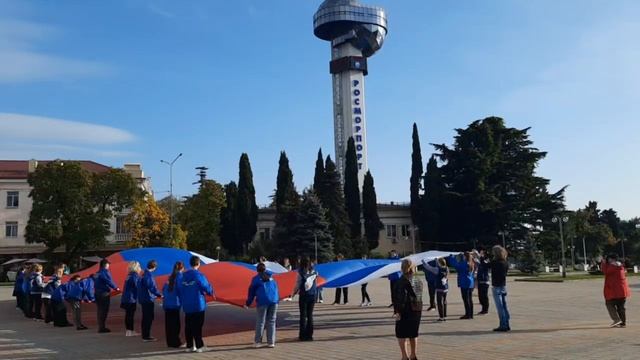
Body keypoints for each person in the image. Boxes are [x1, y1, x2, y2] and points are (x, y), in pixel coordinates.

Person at [178, 255, 214, 353]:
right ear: (198, 264)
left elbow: (180, 289)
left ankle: (189, 346)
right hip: (198, 304)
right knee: (197, 326)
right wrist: (211, 292)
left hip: (187, 304)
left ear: (190, 263)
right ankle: (199, 346)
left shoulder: (183, 276)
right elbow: (206, 287)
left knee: (188, 325)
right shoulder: (199, 275)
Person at [393, 259, 424, 360]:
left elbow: (400, 298)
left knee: (401, 334)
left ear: (402, 268)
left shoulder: (401, 281)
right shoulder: (418, 280)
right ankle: (413, 355)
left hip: (405, 310)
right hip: (416, 310)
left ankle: (404, 356)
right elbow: (419, 295)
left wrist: (397, 312)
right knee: (413, 333)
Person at [245, 262, 279, 348]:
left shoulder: (256, 279)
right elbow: (276, 288)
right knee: (271, 321)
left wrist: (248, 303)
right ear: (265, 269)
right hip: (274, 301)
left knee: (261, 321)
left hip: (262, 301)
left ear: (257, 270)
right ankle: (271, 342)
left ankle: (258, 342)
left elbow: (251, 292)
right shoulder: (272, 277)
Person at [290, 257, 317, 341]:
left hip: (304, 296)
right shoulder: (314, 272)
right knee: (310, 315)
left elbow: (298, 285)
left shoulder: (300, 272)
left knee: (303, 316)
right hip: (312, 295)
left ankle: (302, 335)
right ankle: (310, 335)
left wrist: (293, 293)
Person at [601, 253, 630, 328]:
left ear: (612, 259)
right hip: (622, 291)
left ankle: (616, 320)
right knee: (621, 307)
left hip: (614, 291)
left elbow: (605, 271)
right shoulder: (621, 265)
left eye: (608, 258)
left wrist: (603, 263)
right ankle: (623, 323)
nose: (608, 260)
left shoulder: (613, 265)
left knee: (609, 304)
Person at [94, 259, 120, 333]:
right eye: (108, 264)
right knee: (104, 310)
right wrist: (116, 288)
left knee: (99, 310)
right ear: (105, 265)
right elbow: (109, 280)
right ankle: (102, 328)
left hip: (97, 293)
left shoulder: (97, 273)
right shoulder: (105, 272)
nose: (109, 265)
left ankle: (101, 326)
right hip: (104, 293)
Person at [138, 260, 162, 342]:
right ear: (154, 267)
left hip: (143, 298)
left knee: (145, 317)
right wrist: (159, 294)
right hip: (148, 299)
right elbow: (152, 287)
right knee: (148, 317)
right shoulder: (148, 276)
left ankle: (145, 335)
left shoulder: (143, 274)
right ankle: (146, 336)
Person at [163, 261, 184, 348]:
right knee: (175, 324)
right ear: (182, 268)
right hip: (175, 304)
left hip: (167, 304)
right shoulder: (180, 277)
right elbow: (181, 290)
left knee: (168, 324)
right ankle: (176, 342)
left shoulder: (170, 277)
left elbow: (164, 289)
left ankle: (170, 342)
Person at [449, 252, 476, 319]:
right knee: (469, 299)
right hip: (470, 282)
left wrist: (451, 257)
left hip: (464, 282)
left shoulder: (464, 263)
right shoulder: (471, 263)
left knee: (466, 299)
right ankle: (470, 314)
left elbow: (455, 265)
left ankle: (468, 314)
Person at [490, 245, 510, 331]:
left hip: (496, 286)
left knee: (500, 307)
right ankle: (506, 323)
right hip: (503, 285)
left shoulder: (495, 263)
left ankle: (503, 324)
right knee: (504, 306)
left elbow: (485, 265)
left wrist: (481, 257)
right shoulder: (505, 262)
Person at [423, 257, 449, 322]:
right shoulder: (446, 268)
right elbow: (439, 265)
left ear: (439, 263)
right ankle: (444, 314)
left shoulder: (437, 269)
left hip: (439, 288)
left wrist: (423, 261)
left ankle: (441, 317)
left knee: (439, 303)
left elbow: (428, 267)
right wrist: (436, 259)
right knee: (444, 300)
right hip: (445, 287)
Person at [120, 261, 141, 337]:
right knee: (130, 315)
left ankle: (128, 330)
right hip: (131, 299)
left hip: (126, 298)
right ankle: (130, 331)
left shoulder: (129, 276)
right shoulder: (135, 276)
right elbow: (137, 286)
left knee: (128, 315)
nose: (140, 268)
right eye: (139, 266)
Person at [476, 248, 491, 315]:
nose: (480, 254)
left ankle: (485, 310)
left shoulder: (486, 261)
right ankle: (483, 309)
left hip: (485, 281)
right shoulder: (480, 261)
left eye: (482, 253)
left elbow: (484, 263)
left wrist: (479, 256)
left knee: (484, 296)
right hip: (480, 281)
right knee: (480, 296)